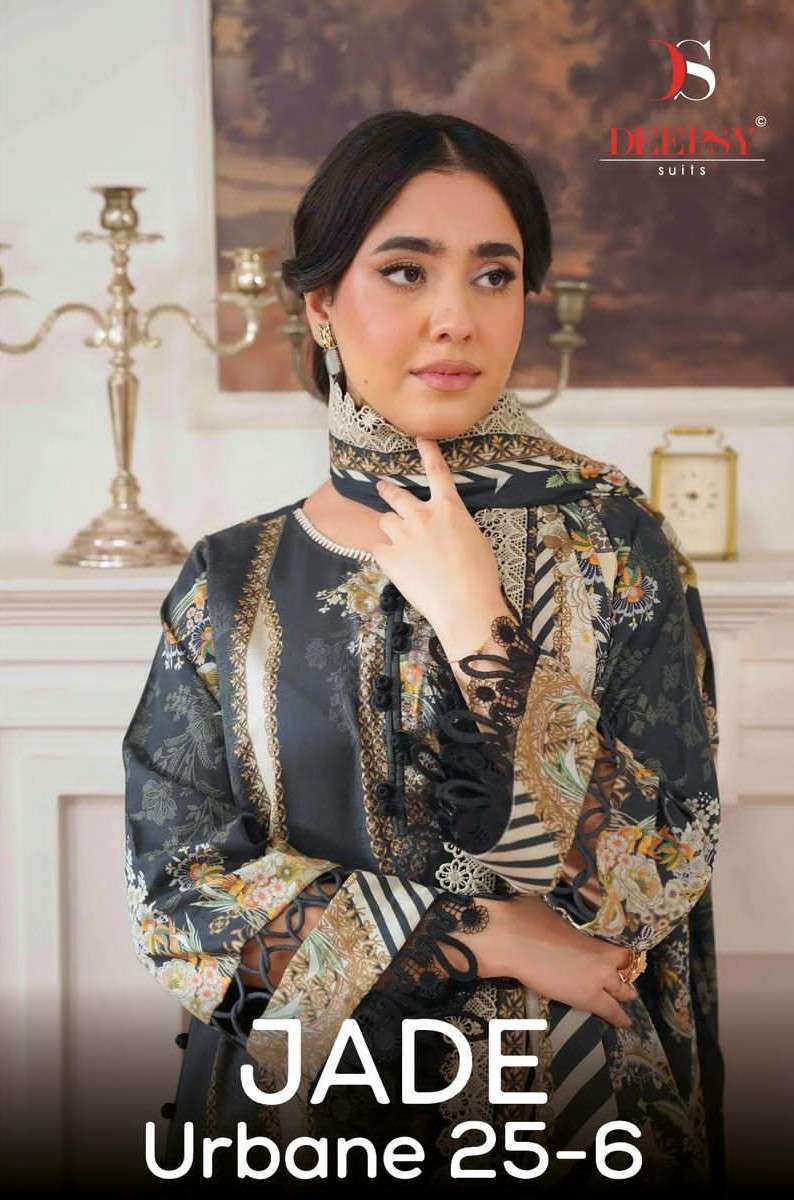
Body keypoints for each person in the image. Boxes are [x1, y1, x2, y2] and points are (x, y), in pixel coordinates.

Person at [123, 110, 723, 1196]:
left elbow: (662, 865)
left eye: (494, 277)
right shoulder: (231, 581)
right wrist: (478, 933)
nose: (456, 317)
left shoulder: (614, 543)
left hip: (575, 1121)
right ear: (319, 305)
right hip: (305, 1122)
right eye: (405, 271)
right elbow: (177, 899)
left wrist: (478, 622)